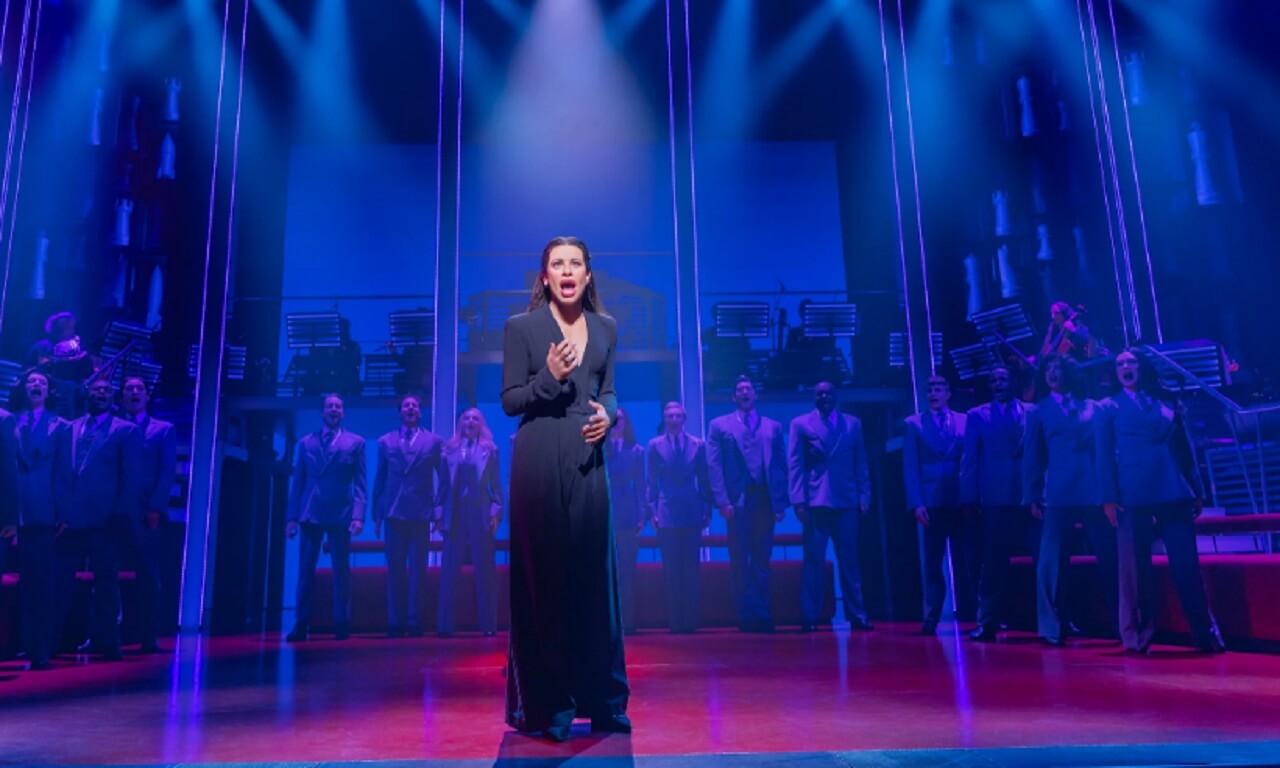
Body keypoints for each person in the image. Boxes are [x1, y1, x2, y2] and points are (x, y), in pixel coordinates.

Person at [501, 236, 629, 742]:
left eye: (576, 263)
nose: (568, 270)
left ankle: (605, 702)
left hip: (587, 456)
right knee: (545, 582)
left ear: (588, 274)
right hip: (537, 457)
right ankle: (549, 708)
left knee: (596, 581)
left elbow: (611, 389)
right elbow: (511, 400)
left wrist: (610, 415)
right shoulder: (521, 328)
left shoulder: (606, 328)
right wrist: (548, 379)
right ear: (546, 276)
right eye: (558, 264)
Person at [1096, 349, 1224, 654]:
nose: (1126, 367)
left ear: (1142, 367)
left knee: (1186, 567)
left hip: (1173, 488)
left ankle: (1204, 633)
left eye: (1131, 362)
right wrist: (1109, 498)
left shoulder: (1167, 401)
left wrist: (1197, 488)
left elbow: (1184, 447)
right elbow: (1102, 456)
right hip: (1131, 494)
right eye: (1120, 364)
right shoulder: (1107, 407)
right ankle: (1139, 636)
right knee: (1136, 571)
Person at [1023, 355, 1119, 645]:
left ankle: (1122, 625)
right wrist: (1033, 494)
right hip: (1058, 493)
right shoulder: (1039, 412)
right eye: (1049, 369)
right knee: (1051, 564)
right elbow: (1033, 458)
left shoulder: (1093, 408)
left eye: (1059, 368)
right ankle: (1052, 627)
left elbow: (1106, 452)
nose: (1053, 373)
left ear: (1070, 373)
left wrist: (1111, 493)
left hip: (1094, 491)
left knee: (1111, 560)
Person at [56, 378, 140, 661]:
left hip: (106, 519)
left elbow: (130, 478)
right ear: (87, 393)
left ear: (113, 397)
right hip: (69, 519)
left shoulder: (125, 431)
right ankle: (53, 642)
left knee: (105, 584)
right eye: (96, 389)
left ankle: (107, 641)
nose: (101, 393)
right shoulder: (69, 427)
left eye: (106, 390)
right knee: (60, 582)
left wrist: (121, 513)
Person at [787, 381, 873, 632]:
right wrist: (798, 500)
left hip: (847, 500)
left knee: (850, 561)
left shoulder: (853, 423)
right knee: (813, 561)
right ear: (814, 397)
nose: (824, 397)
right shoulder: (800, 424)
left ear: (836, 396)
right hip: (816, 501)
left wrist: (864, 494)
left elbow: (860, 462)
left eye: (828, 393)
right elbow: (796, 465)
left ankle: (857, 615)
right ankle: (810, 616)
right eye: (819, 393)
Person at [706, 375, 789, 633]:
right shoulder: (720, 425)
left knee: (763, 560)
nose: (744, 392)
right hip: (737, 502)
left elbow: (780, 466)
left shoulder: (772, 427)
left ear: (755, 394)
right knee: (740, 561)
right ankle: (745, 615)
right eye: (739, 389)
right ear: (734, 397)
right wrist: (722, 500)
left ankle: (763, 613)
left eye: (748, 389)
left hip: (764, 499)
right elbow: (714, 466)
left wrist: (780, 503)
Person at [285, 393, 367, 642]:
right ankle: (301, 623)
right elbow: (297, 482)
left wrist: (358, 516)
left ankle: (342, 621)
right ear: (322, 412)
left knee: (342, 571)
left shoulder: (356, 442)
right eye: (330, 406)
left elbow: (361, 483)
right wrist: (291, 518)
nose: (334, 409)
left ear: (343, 412)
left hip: (341, 513)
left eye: (338, 406)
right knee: (305, 571)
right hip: (310, 513)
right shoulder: (306, 443)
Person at [960, 366, 1033, 642]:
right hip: (994, 497)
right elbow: (969, 459)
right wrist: (968, 498)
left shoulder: (1031, 411)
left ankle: (1056, 618)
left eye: (1003, 378)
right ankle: (987, 620)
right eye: (993, 380)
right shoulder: (976, 415)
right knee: (992, 563)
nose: (999, 383)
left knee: (1046, 559)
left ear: (1012, 381)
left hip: (1029, 495)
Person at [903, 374, 977, 635]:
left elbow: (971, 459)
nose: (933, 393)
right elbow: (910, 466)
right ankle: (933, 614)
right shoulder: (913, 424)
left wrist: (972, 495)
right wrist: (916, 503)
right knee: (933, 561)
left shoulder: (965, 420)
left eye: (938, 388)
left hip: (960, 498)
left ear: (948, 393)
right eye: (930, 388)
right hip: (932, 501)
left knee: (969, 557)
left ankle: (976, 612)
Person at [371, 393, 449, 638]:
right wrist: (376, 513)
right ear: (400, 412)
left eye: (415, 405)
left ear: (421, 412)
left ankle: (415, 621)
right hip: (393, 513)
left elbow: (444, 479)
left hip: (420, 513)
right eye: (407, 405)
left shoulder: (433, 441)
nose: (411, 408)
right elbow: (380, 479)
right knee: (394, 571)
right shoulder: (385, 441)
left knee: (418, 572)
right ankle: (395, 622)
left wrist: (438, 511)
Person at [12, 371, 71, 669]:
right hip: (12, 513)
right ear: (23, 387)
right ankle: (19, 644)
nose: (36, 386)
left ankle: (40, 648)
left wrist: (61, 512)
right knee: (21, 585)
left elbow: (63, 472)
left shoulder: (59, 426)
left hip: (43, 514)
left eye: (42, 383)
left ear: (49, 392)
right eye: (31, 382)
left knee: (41, 585)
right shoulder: (10, 421)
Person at [117, 377, 177, 653]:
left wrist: (155, 506)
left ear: (147, 395)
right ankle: (106, 633)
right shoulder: (113, 426)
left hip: (145, 512)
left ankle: (148, 635)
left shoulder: (162, 430)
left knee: (148, 575)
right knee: (106, 575)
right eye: (129, 388)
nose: (134, 392)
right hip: (114, 511)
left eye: (139, 388)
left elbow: (166, 472)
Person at [645, 401, 712, 634]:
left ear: (684, 419)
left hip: (692, 508)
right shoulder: (654, 445)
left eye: (678, 416)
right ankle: (675, 622)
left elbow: (704, 480)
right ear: (665, 419)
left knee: (691, 568)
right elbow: (650, 482)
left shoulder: (698, 444)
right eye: (670, 416)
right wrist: (652, 511)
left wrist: (707, 509)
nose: (674, 420)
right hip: (667, 510)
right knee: (672, 570)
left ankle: (691, 621)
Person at [438, 407, 503, 638]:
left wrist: (495, 514)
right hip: (455, 515)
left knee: (485, 571)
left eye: (475, 418)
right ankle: (445, 626)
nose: (470, 421)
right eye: (467, 418)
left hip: (479, 515)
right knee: (448, 572)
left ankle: (488, 625)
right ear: (461, 422)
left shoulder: (490, 450)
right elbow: (443, 486)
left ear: (481, 424)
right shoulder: (448, 449)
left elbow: (496, 487)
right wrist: (438, 514)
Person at [606, 407, 647, 635]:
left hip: (628, 513)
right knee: (605, 571)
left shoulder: (637, 451)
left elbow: (642, 485)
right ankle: (607, 621)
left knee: (627, 571)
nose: (616, 421)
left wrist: (642, 515)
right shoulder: (598, 448)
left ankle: (627, 621)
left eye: (620, 418)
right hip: (604, 514)